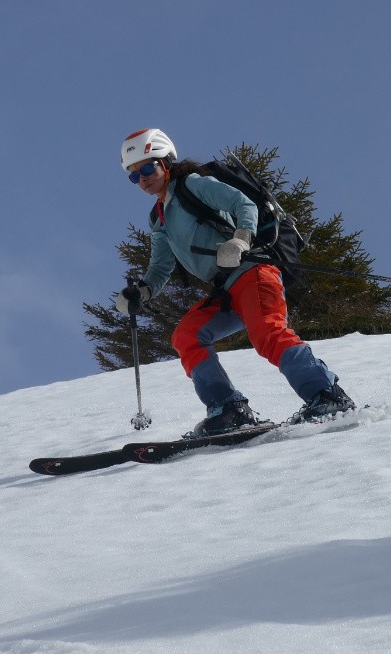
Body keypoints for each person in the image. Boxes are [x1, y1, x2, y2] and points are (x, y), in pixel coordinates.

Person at [114, 127, 354, 436]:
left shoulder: (193, 184)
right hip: (226, 289)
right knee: (187, 335)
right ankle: (229, 409)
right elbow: (160, 266)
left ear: (166, 162)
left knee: (267, 331)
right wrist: (142, 291)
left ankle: (327, 395)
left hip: (253, 272)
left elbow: (243, 205)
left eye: (147, 167)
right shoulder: (159, 217)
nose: (142, 178)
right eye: (134, 175)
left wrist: (240, 240)